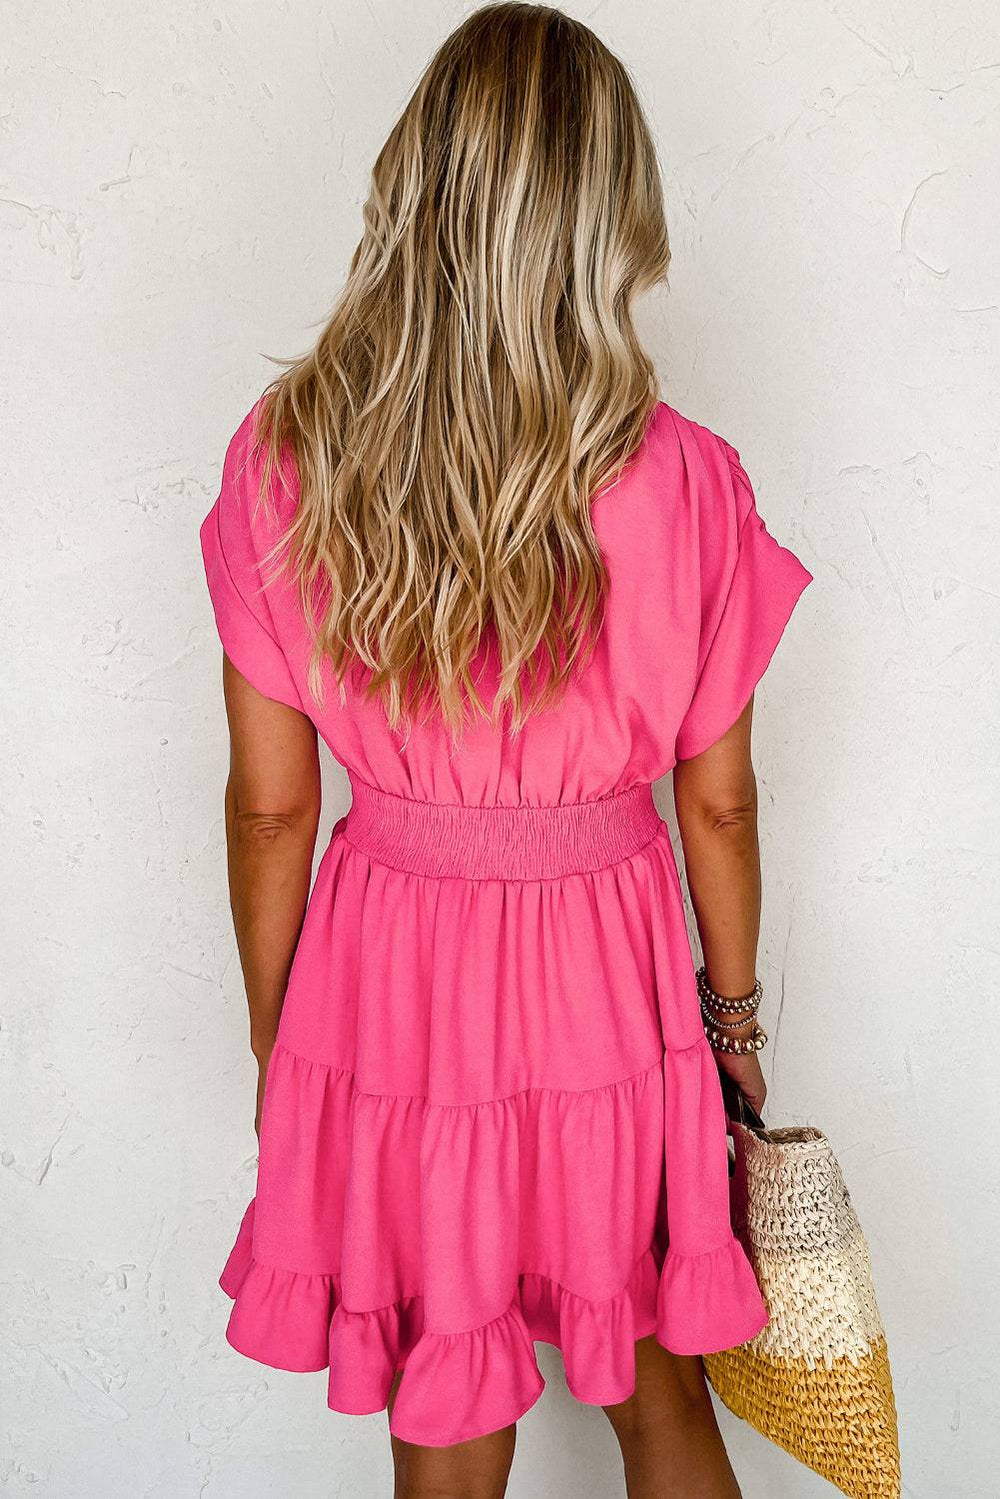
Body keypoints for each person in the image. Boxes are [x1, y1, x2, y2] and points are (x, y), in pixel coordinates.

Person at [198, 5, 811, 1495]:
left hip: (391, 986)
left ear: (419, 191)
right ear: (611, 218)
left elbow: (274, 814)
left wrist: (290, 1048)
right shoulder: (692, 481)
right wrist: (732, 1041)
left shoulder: (288, 458)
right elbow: (715, 807)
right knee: (663, 1387)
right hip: (611, 981)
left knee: (445, 1391)